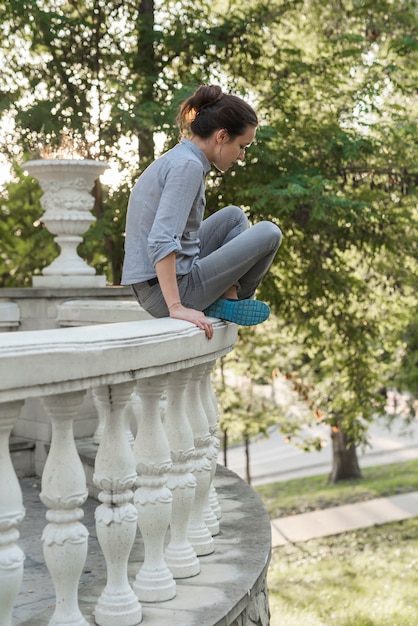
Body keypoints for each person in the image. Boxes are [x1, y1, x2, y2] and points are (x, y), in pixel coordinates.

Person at [121, 84, 282, 340]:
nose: (241, 156)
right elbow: (161, 239)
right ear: (221, 136)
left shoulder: (182, 158)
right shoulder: (188, 167)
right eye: (242, 146)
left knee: (233, 217)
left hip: (157, 285)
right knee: (269, 232)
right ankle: (231, 302)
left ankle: (227, 296)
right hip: (164, 293)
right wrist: (176, 307)